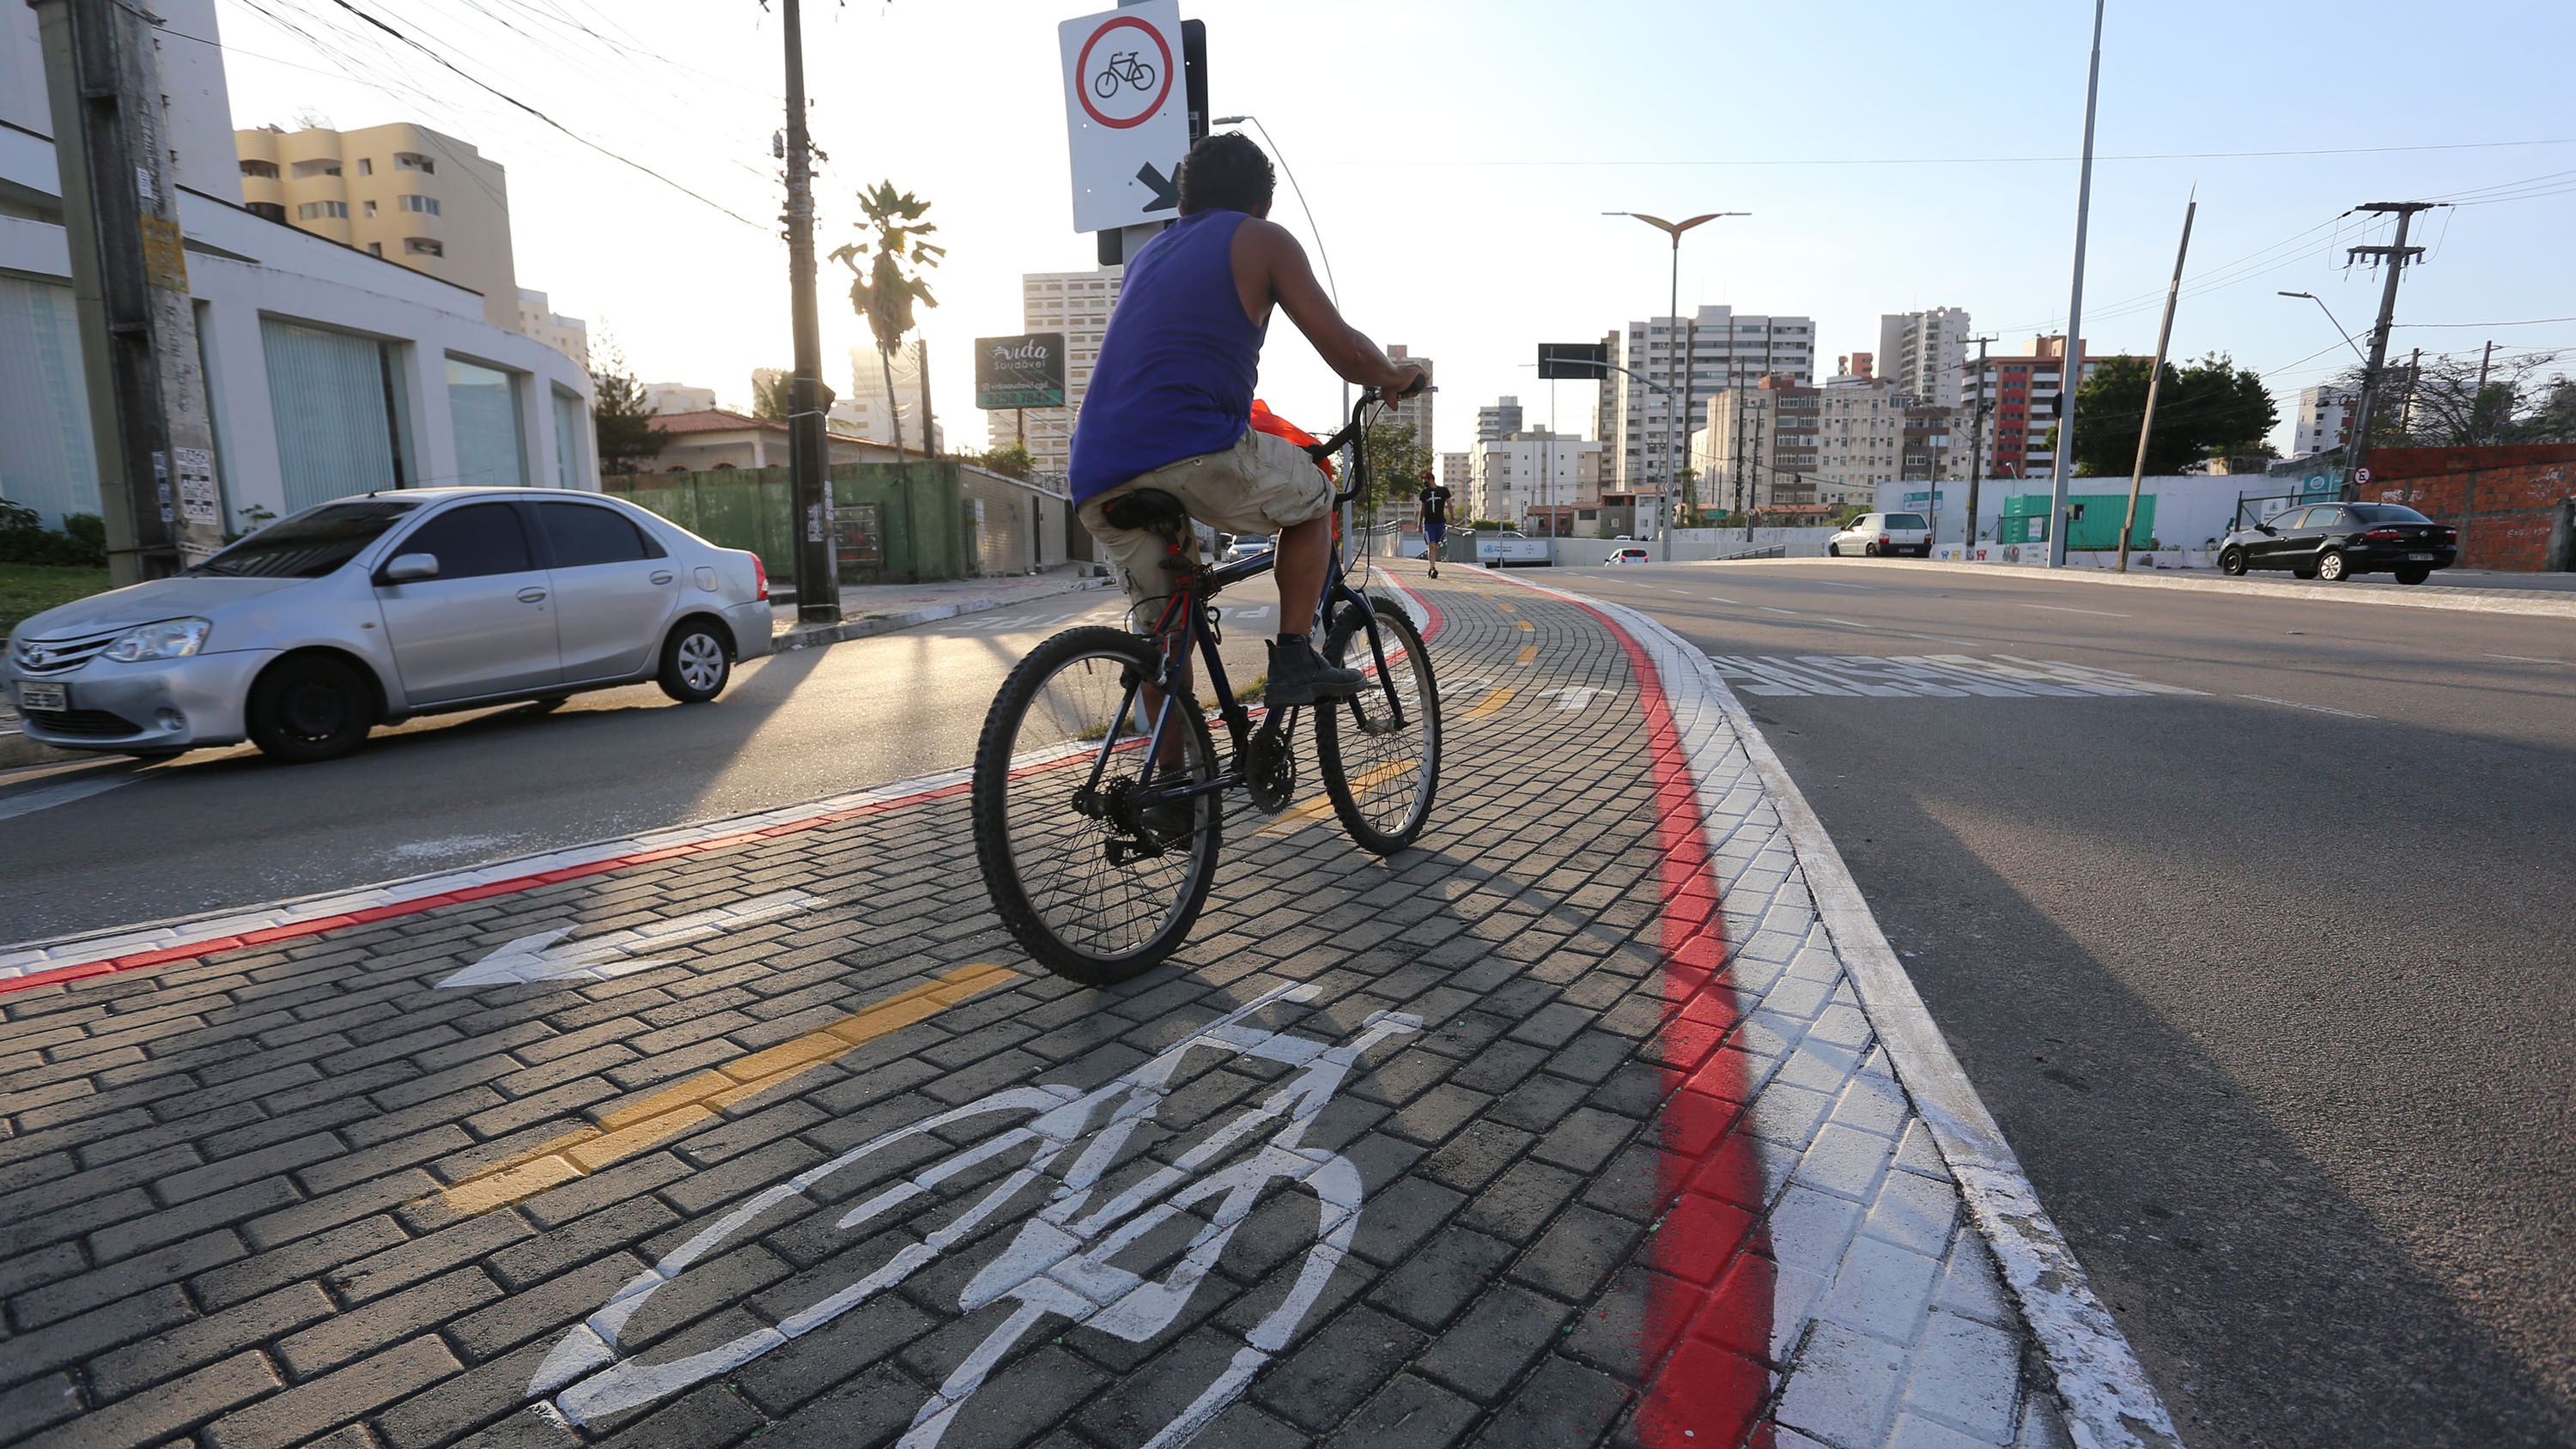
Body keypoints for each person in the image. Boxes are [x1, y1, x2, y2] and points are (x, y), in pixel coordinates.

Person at [1071, 131, 1427, 706]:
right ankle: (1293, 656)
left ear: (1182, 205)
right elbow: (1345, 353)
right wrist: (1393, 375)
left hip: (1096, 472)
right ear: (1262, 205)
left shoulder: (1148, 256)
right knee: (1316, 495)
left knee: (1164, 647)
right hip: (1191, 447)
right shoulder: (1263, 240)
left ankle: (1172, 790)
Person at [1416, 468, 1451, 579]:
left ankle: (1432, 567)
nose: (1424, 482)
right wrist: (1420, 523)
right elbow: (1423, 509)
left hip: (1440, 522)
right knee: (1431, 544)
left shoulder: (1443, 491)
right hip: (1429, 523)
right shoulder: (1425, 493)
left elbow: (1449, 504)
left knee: (1435, 546)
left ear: (1431, 479)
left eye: (1425, 480)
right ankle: (1432, 568)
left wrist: (1453, 518)